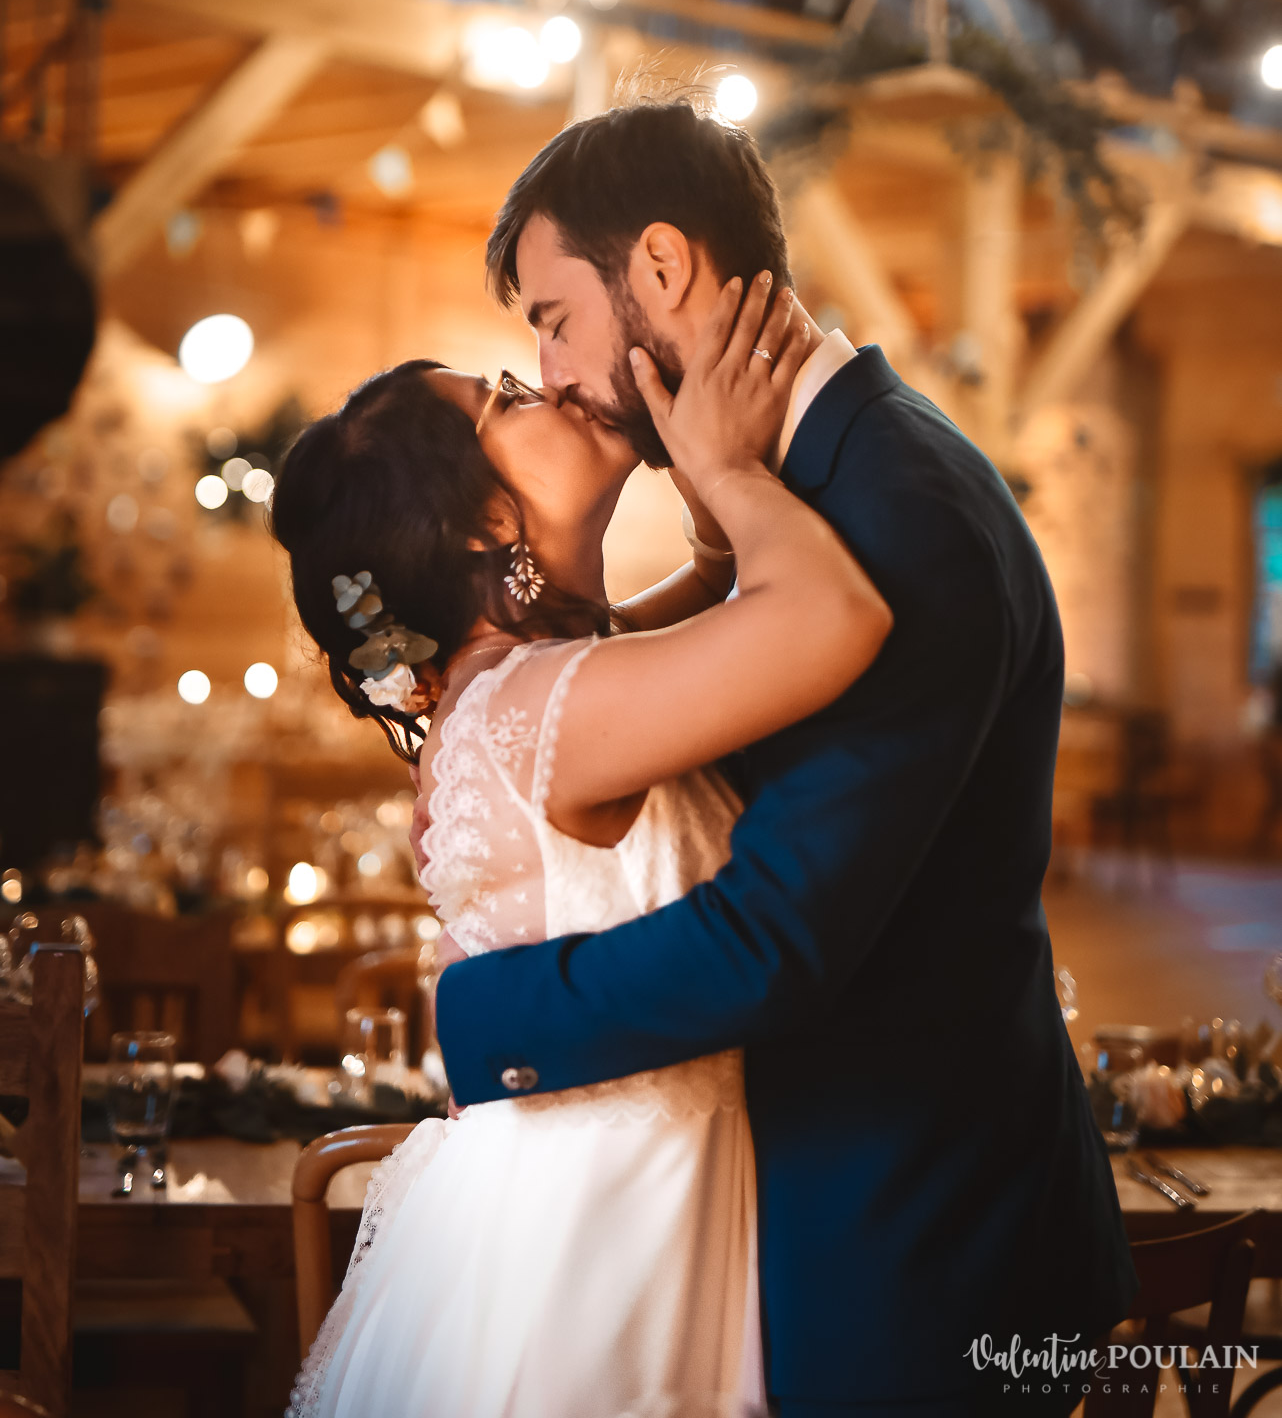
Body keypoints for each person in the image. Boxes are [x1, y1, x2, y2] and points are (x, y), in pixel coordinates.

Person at [434, 100, 1138, 1418]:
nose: (553, 364)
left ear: (658, 269)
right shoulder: (813, 484)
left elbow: (777, 939)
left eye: (551, 317)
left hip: (916, 1239)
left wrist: (485, 1018)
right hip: (826, 1204)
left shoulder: (896, 514)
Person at [271, 266, 894, 1418]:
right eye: (507, 399)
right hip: (609, 1241)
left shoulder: (514, 692)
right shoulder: (540, 709)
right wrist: (726, 469)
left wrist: (711, 537)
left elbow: (665, 621)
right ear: (487, 520)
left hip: (584, 1202)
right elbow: (833, 618)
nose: (547, 391)